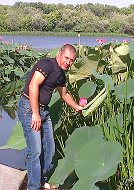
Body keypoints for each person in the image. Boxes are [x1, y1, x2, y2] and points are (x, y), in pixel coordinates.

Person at [17, 44, 84, 190]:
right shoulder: (47, 64)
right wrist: (35, 113)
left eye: (72, 60)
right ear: (60, 54)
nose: (68, 62)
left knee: (50, 148)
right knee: (35, 150)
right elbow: (33, 86)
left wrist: (77, 107)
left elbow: (64, 94)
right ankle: (33, 187)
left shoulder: (61, 74)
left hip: (44, 111)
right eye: (66, 58)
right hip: (29, 108)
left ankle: (40, 180)